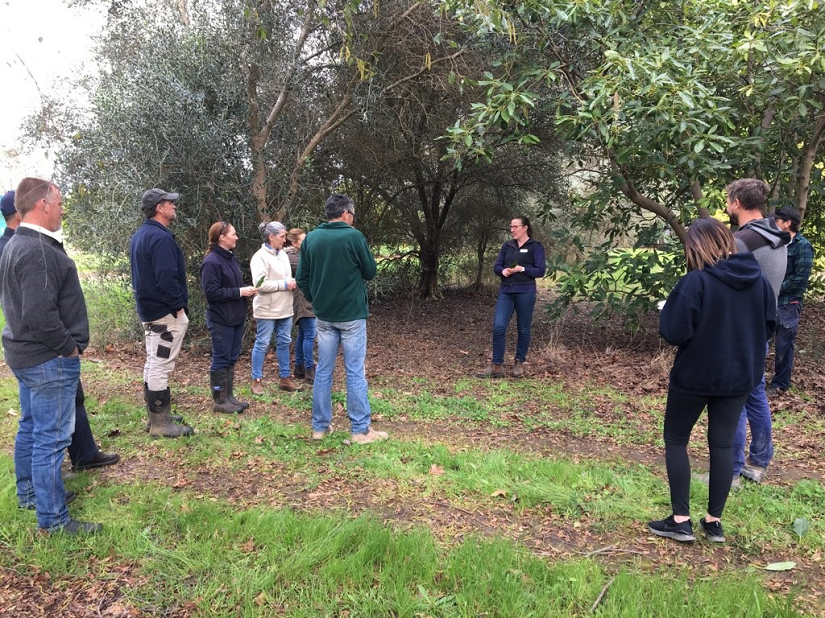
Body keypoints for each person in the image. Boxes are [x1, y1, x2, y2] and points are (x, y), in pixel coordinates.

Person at [649, 218, 776, 544]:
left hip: (694, 375)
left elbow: (674, 332)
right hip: (739, 377)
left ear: (695, 246)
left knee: (676, 440)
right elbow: (769, 325)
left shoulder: (696, 282)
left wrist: (668, 310)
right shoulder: (758, 281)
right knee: (721, 444)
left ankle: (680, 520)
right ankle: (713, 522)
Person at [0, 178, 102, 534]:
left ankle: (31, 492)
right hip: (47, 358)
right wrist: (69, 347)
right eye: (58, 202)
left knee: (31, 426)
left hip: (25, 354)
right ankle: (54, 520)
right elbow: (39, 314)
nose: (62, 209)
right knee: (51, 437)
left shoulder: (17, 242)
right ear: (42, 204)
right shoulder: (37, 251)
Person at [297, 193, 387, 445]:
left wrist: (317, 298)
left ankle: (319, 427)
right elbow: (370, 272)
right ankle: (360, 430)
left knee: (324, 370)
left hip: (323, 316)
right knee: (355, 371)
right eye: (353, 215)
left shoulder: (311, 239)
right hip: (351, 315)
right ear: (346, 214)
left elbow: (301, 278)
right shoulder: (354, 236)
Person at [726, 178, 789, 484]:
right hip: (764, 325)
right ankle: (760, 462)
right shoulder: (778, 235)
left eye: (728, 199)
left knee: (735, 396)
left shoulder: (742, 241)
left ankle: (733, 470)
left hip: (740, 329)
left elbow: (725, 285)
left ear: (736, 201)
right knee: (754, 392)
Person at [129, 188, 194, 438]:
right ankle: (160, 424)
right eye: (170, 203)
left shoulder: (141, 235)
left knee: (152, 358)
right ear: (159, 208)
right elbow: (166, 277)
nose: (174, 206)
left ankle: (155, 415)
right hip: (164, 313)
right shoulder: (161, 238)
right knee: (160, 363)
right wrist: (177, 307)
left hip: (148, 310)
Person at [476, 216, 546, 379]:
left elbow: (540, 271)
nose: (512, 230)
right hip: (506, 292)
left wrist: (522, 269)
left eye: (515, 226)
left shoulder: (535, 247)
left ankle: (519, 363)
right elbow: (497, 266)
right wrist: (503, 271)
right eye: (511, 227)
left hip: (525, 292)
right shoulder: (507, 246)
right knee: (498, 327)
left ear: (525, 228)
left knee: (523, 328)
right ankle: (497, 366)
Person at [200, 221, 258, 413]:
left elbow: (233, 287)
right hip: (220, 319)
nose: (236, 237)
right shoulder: (211, 262)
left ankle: (229, 397)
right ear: (222, 238)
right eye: (233, 234)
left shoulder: (231, 258)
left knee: (232, 357)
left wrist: (246, 291)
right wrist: (240, 292)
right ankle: (219, 400)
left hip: (236, 317)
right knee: (221, 358)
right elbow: (212, 293)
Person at [250, 221, 302, 393]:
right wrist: (284, 284)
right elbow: (259, 284)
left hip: (285, 309)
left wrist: (289, 283)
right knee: (262, 343)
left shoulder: (283, 255)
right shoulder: (259, 257)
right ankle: (256, 380)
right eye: (282, 236)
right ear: (271, 237)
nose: (284, 239)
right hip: (266, 309)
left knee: (284, 343)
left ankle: (285, 378)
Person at [768, 206, 814, 397]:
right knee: (760, 340)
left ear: (788, 223)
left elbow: (800, 279)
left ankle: (780, 384)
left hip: (788, 303)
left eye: (778, 220)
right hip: (770, 301)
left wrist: (776, 287)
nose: (774, 223)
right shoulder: (775, 243)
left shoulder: (803, 246)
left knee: (784, 345)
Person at [285, 228, 316, 382]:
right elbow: (312, 271)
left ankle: (299, 367)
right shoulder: (293, 258)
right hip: (302, 300)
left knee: (304, 334)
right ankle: (309, 370)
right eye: (303, 240)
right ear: (294, 243)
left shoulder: (302, 255)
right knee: (310, 333)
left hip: (306, 298)